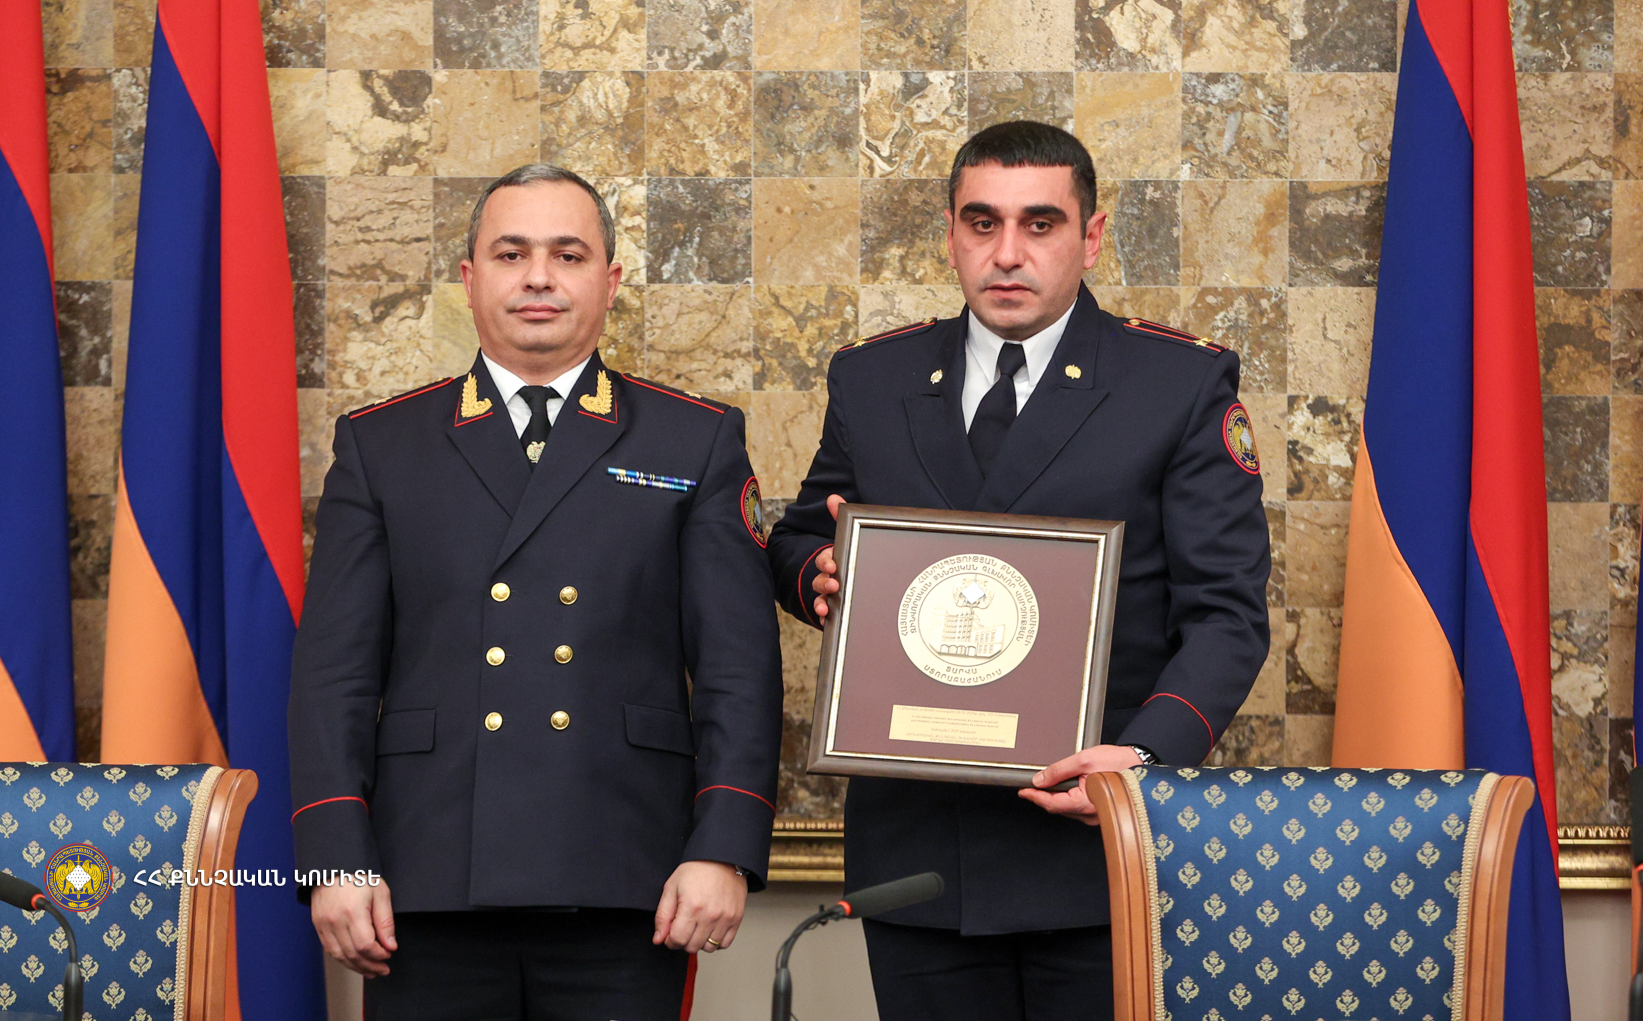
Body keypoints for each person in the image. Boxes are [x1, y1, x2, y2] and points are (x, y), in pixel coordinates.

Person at [767, 121, 1271, 1020]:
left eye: (1040, 224)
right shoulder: (873, 378)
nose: (1007, 253)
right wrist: (819, 572)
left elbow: (1227, 614)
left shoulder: (1176, 386)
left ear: (1092, 236)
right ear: (951, 234)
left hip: (1095, 847)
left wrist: (1145, 759)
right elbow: (805, 532)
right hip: (919, 855)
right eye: (982, 223)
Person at [289, 163, 782, 1019]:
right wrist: (335, 856)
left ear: (610, 281)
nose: (539, 278)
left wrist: (724, 848)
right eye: (511, 254)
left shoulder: (693, 441)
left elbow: (738, 670)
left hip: (627, 873)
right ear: (470, 276)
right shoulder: (383, 444)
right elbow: (333, 676)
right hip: (427, 875)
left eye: (568, 254)